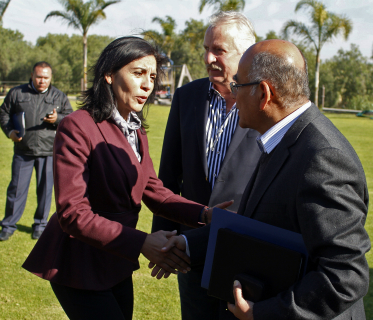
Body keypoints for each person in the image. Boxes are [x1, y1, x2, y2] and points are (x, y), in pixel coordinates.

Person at [155, 39, 371, 320]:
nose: (232, 93)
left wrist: (264, 313)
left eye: (238, 85)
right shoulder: (281, 141)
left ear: (264, 93)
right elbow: (257, 229)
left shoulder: (322, 158)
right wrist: (188, 244)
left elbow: (345, 275)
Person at [22, 36, 231, 320]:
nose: (148, 84)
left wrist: (205, 214)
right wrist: (142, 242)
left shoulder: (135, 128)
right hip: (78, 264)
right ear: (109, 74)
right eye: (138, 73)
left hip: (115, 261)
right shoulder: (77, 126)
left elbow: (154, 190)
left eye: (153, 76)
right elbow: (72, 213)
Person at [151, 11, 261, 320]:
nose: (208, 57)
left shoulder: (264, 99)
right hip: (190, 249)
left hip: (246, 247)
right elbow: (169, 174)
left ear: (245, 53)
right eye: (205, 49)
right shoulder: (187, 97)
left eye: (219, 50)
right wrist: (165, 240)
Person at [0, 61, 73, 241]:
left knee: (46, 191)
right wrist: (9, 132)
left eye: (46, 77)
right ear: (32, 75)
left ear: (51, 78)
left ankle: (40, 225)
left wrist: (57, 118)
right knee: (16, 189)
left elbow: (70, 119)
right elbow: (4, 113)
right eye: (39, 77)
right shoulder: (17, 93)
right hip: (23, 151)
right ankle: (8, 225)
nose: (42, 81)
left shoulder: (59, 96)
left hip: (48, 151)